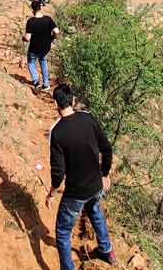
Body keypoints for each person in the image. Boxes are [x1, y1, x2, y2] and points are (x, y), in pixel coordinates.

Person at [46, 84, 115, 269]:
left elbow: (58, 172)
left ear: (55, 104)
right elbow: (107, 149)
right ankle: (107, 250)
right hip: (95, 184)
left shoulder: (57, 132)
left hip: (75, 192)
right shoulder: (88, 118)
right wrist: (105, 174)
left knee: (62, 231)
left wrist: (52, 192)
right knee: (95, 211)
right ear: (73, 100)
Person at [22, 0, 57, 91]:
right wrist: (52, 38)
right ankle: (46, 84)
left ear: (32, 9)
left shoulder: (31, 21)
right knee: (43, 61)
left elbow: (27, 38)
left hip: (34, 48)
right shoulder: (48, 19)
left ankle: (36, 82)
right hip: (46, 47)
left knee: (31, 63)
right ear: (41, 7)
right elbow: (57, 31)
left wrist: (23, 38)